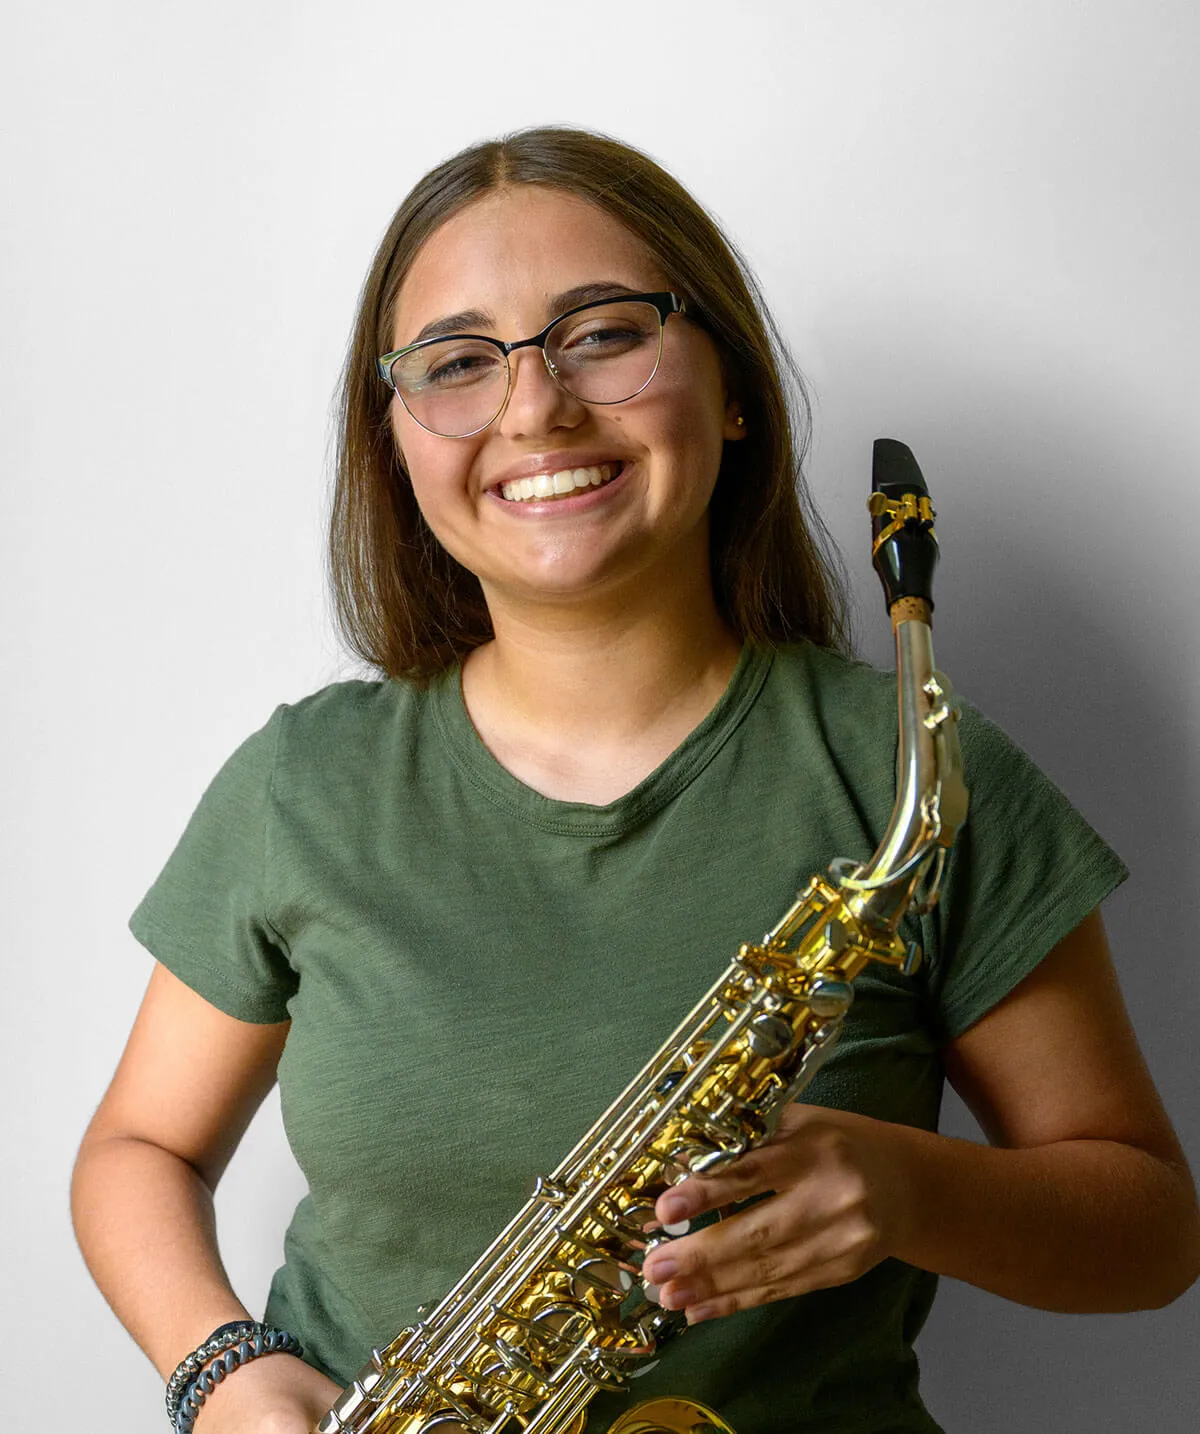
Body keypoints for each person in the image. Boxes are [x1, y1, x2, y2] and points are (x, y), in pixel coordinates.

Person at [72, 127, 1200, 1434]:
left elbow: (1152, 1228)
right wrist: (223, 1369)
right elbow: (136, 1151)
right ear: (393, 444)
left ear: (732, 387)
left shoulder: (918, 770)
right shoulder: (303, 783)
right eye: (455, 362)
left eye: (603, 333)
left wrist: (912, 1187)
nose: (535, 406)